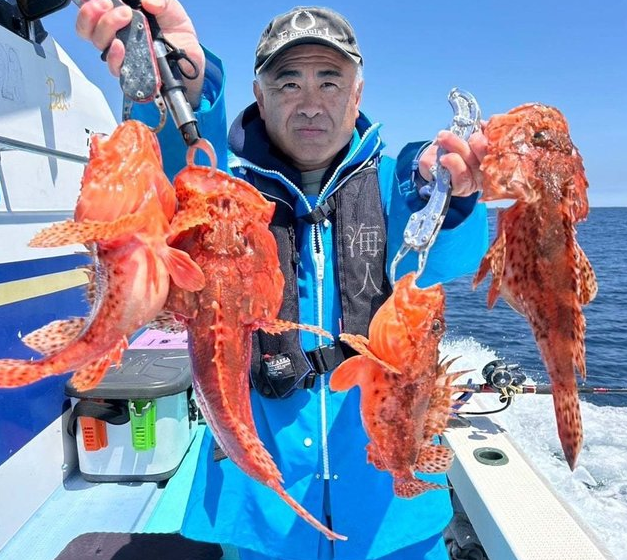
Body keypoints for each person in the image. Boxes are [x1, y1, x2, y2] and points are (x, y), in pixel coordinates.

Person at [77, 2, 489, 559]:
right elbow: (171, 181)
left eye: (330, 79)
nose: (311, 101)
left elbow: (447, 257)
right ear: (259, 94)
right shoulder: (221, 193)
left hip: (390, 519)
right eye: (288, 81)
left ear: (358, 92)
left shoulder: (395, 186)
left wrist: (451, 196)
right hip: (263, 521)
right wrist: (181, 89)